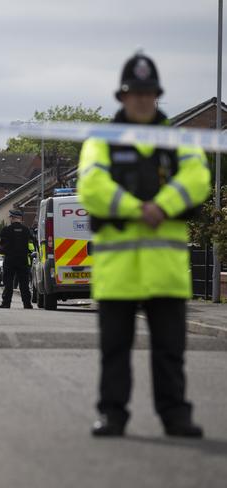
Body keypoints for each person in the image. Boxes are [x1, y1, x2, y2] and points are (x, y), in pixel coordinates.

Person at [77, 52, 211, 438]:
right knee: (114, 351)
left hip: (165, 272)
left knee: (171, 352)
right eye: (134, 92)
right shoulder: (101, 140)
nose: (141, 99)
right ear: (122, 97)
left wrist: (163, 206)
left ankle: (176, 416)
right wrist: (141, 209)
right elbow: (91, 186)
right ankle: (112, 415)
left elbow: (198, 177)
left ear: (156, 96)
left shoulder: (177, 139)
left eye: (148, 92)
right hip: (117, 272)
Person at [0, 210, 34, 309]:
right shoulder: (27, 230)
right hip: (23, 260)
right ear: (20, 219)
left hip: (10, 260)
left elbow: (1, 245)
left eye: (10, 217)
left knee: (8, 282)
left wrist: (2, 250)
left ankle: (6, 303)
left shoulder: (6, 230)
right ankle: (27, 304)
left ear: (13, 218)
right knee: (24, 283)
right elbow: (32, 245)